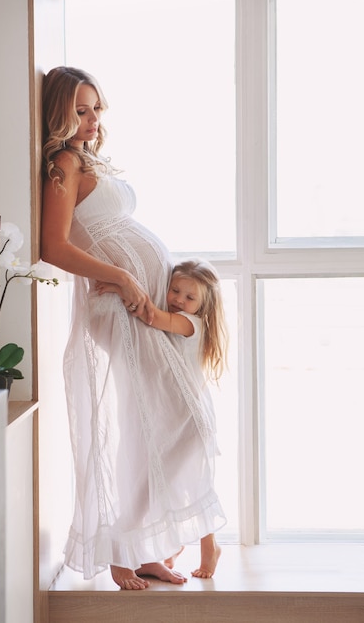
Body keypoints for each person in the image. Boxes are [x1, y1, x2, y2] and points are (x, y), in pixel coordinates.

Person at [41, 66, 227, 590]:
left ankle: (143, 547)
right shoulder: (63, 163)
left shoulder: (87, 159)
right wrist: (120, 275)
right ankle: (125, 550)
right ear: (59, 112)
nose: (92, 118)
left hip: (141, 306)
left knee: (170, 423)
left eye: (96, 107)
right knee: (161, 422)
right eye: (80, 109)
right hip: (119, 309)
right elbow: (53, 246)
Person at [96, 257, 229, 578]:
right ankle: (168, 548)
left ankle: (124, 550)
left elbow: (151, 316)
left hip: (187, 419)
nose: (179, 300)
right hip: (178, 417)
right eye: (175, 290)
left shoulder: (190, 324)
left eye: (189, 297)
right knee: (175, 483)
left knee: (164, 483)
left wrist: (118, 285)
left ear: (203, 306)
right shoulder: (182, 317)